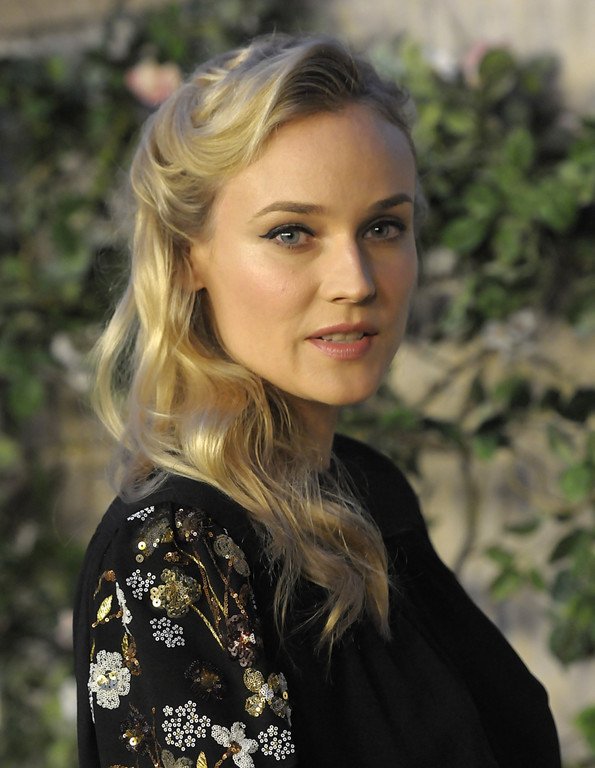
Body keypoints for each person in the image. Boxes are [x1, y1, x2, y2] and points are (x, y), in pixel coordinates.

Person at [74, 33, 561, 768]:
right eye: (292, 233)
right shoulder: (177, 553)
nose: (356, 281)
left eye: (383, 226)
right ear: (184, 258)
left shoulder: (365, 487)